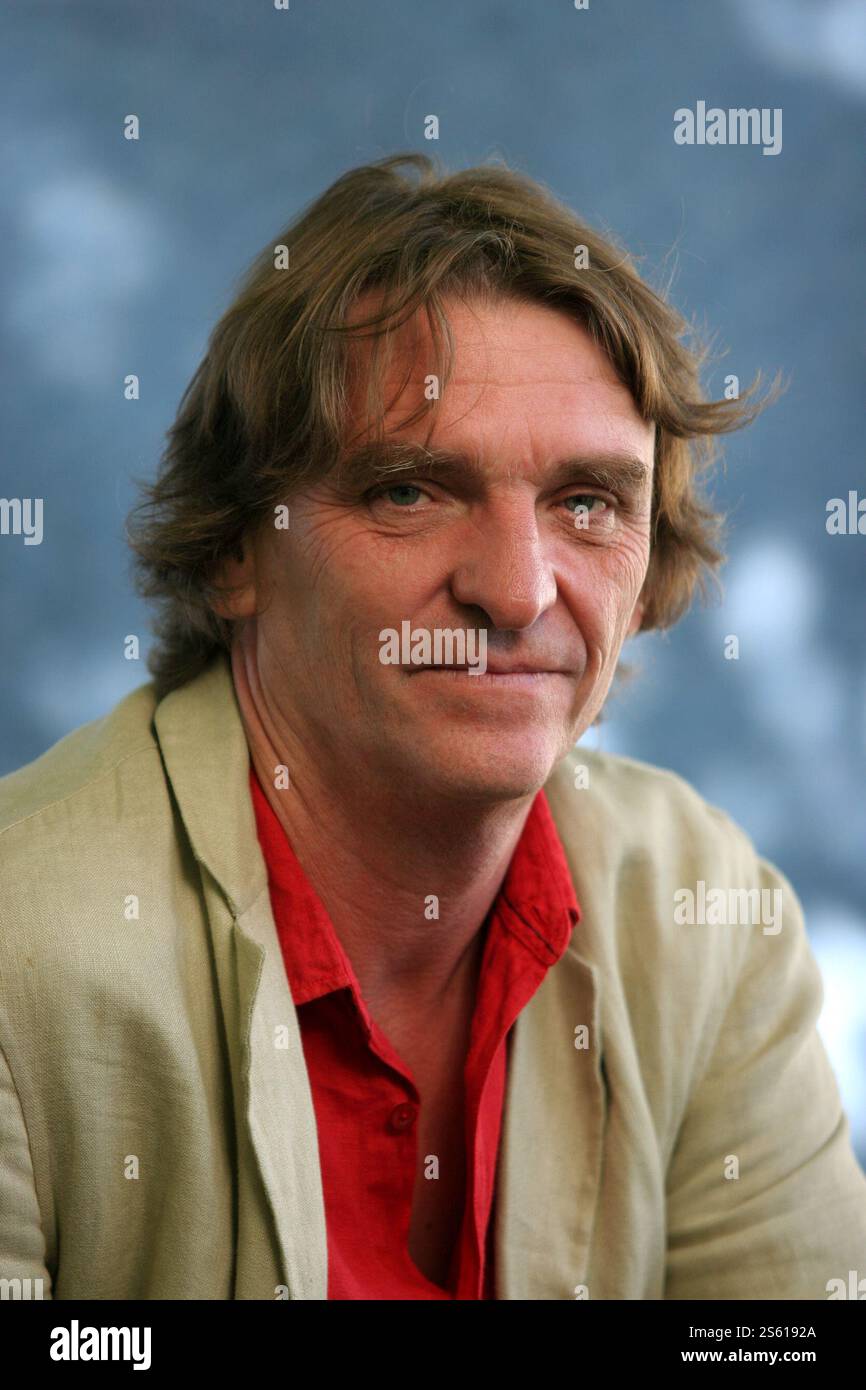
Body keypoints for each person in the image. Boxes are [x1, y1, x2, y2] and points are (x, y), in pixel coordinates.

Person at [1, 152, 864, 1301]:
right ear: (233, 550)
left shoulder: (703, 910)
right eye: (410, 490)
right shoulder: (21, 953)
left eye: (586, 503)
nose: (516, 591)